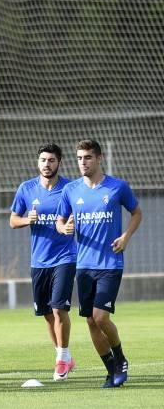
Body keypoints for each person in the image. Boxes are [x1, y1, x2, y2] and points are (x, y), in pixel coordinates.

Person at [56, 139, 142, 388]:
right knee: (90, 321)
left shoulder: (117, 187)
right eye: (80, 158)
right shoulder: (71, 190)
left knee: (101, 317)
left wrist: (125, 237)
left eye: (88, 157)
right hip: (83, 265)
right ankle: (111, 370)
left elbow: (137, 213)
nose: (83, 162)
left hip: (110, 264)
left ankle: (121, 358)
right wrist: (64, 228)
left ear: (99, 158)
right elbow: (60, 221)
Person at [10, 144, 78, 380]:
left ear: (59, 162)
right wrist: (26, 219)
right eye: (43, 160)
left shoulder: (70, 188)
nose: (46, 164)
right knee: (47, 314)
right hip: (39, 260)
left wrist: (73, 225)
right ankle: (64, 355)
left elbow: (82, 213)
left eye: (51, 160)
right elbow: (12, 220)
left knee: (59, 308)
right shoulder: (26, 189)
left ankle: (62, 358)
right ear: (37, 163)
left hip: (65, 257)